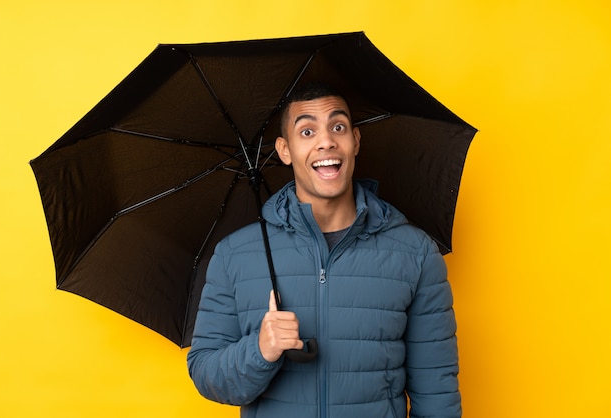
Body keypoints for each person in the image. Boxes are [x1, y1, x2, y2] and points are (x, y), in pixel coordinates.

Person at [187, 83, 460, 417]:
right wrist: (260, 349)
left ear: (355, 141)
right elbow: (206, 374)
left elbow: (437, 392)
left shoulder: (415, 253)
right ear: (284, 150)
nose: (326, 141)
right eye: (307, 131)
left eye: (338, 127)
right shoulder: (234, 255)